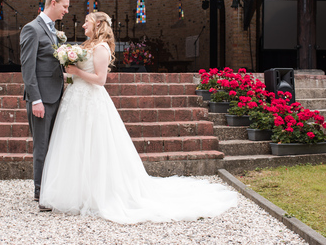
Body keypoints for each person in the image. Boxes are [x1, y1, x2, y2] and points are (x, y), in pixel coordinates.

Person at [39, 11, 238, 223]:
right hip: (75, 101)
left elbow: (100, 80)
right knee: (75, 146)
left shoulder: (101, 48)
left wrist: (76, 73)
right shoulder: (86, 46)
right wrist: (68, 74)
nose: (83, 26)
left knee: (95, 146)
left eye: (86, 22)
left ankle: (99, 194)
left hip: (91, 102)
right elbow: (78, 72)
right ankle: (76, 192)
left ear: (97, 24)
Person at [20, 0, 71, 210]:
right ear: (53, 3)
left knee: (51, 145)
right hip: (42, 99)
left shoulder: (51, 30)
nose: (66, 11)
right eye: (65, 6)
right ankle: (41, 194)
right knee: (41, 146)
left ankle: (47, 189)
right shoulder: (32, 29)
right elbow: (28, 68)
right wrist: (36, 100)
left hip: (55, 95)